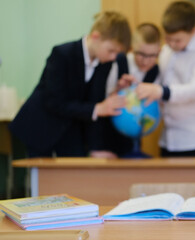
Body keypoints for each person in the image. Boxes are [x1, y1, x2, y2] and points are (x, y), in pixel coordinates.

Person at [9, 11, 132, 158]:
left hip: (70, 129)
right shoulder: (62, 54)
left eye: (116, 53)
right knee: (40, 178)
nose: (113, 57)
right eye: (111, 51)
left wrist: (95, 148)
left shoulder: (104, 63)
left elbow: (94, 103)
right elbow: (54, 102)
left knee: (74, 173)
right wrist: (97, 108)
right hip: (40, 126)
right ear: (96, 37)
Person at [136, 1, 195, 157]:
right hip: (168, 137)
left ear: (194, 31)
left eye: (178, 40)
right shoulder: (167, 50)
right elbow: (161, 79)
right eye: (168, 39)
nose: (172, 44)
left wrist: (161, 92)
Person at [102, 23, 161, 157]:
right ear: (132, 48)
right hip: (109, 137)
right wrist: (116, 90)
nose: (146, 61)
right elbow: (101, 98)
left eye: (152, 55)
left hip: (134, 136)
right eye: (141, 54)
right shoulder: (118, 62)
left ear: (159, 51)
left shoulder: (156, 71)